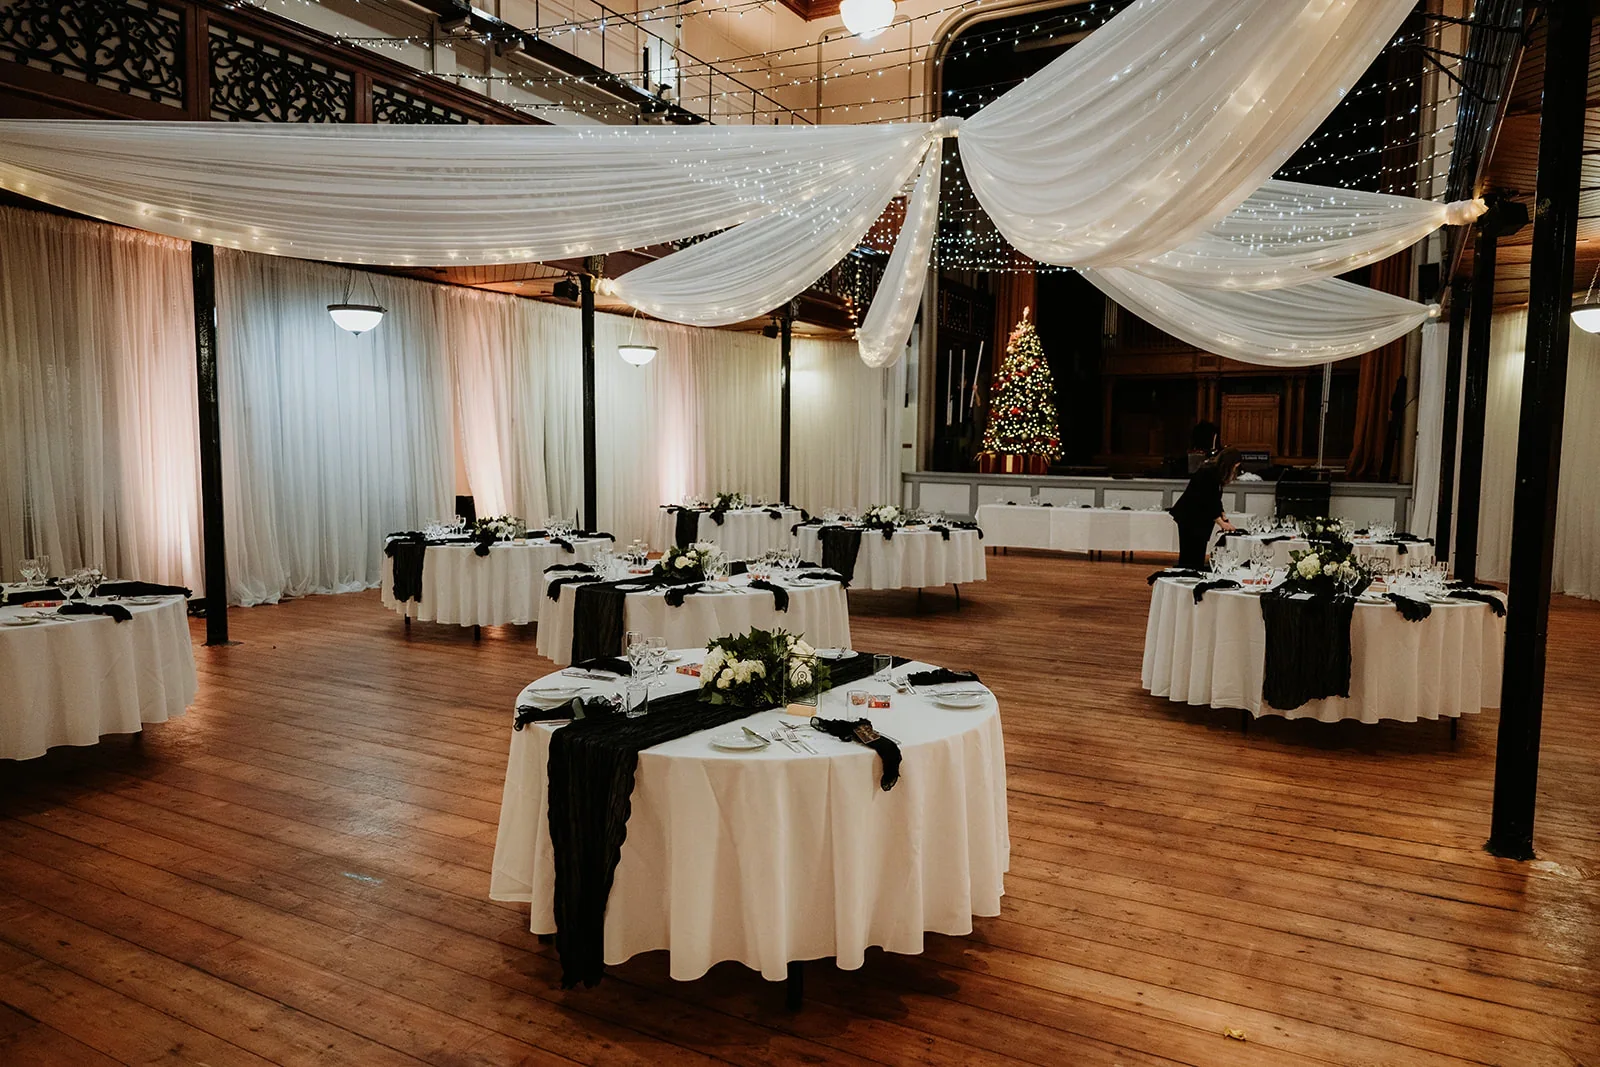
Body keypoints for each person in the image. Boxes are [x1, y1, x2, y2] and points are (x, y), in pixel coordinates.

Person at [1169, 446, 1242, 569]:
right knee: (1190, 555)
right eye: (1235, 467)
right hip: (1191, 517)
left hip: (1198, 518)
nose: (1235, 471)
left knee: (1197, 554)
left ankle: (1193, 575)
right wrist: (1221, 523)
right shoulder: (1208, 472)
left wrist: (1222, 514)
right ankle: (1187, 578)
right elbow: (1206, 500)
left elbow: (1215, 498)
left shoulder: (1215, 473)